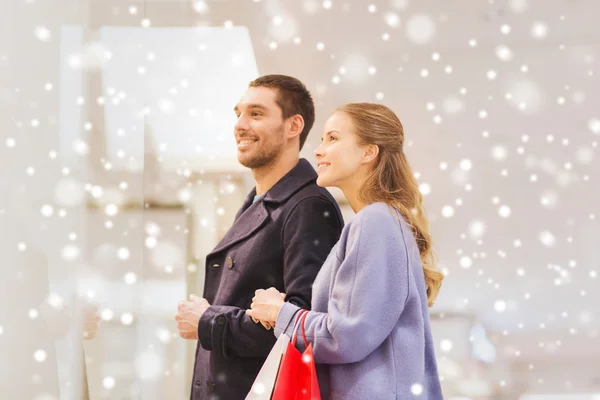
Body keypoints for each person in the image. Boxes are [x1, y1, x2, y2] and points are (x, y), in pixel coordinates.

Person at [247, 103, 445, 399]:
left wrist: (281, 314)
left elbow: (348, 335)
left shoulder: (376, 221)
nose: (318, 150)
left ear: (369, 152)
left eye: (333, 138)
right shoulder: (382, 221)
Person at [175, 75, 344, 399]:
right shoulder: (259, 201)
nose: (240, 124)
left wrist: (208, 321)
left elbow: (304, 327)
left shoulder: (307, 206)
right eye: (238, 113)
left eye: (256, 113)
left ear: (294, 126)